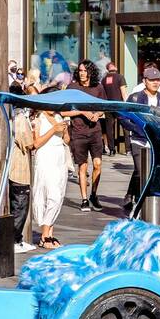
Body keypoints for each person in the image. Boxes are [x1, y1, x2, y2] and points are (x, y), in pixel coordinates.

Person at [123, 67, 160, 213]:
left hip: (156, 142)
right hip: (139, 140)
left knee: (155, 172)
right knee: (140, 170)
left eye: (158, 80)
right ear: (144, 81)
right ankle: (138, 199)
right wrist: (137, 128)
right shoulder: (135, 97)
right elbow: (123, 118)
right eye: (152, 80)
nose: (156, 83)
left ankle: (151, 199)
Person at [67, 60, 107, 212]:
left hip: (95, 132)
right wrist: (82, 112)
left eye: (85, 71)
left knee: (97, 165)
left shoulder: (98, 87)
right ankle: (84, 199)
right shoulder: (72, 87)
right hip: (78, 132)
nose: (82, 73)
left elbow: (104, 107)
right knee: (82, 167)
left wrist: (97, 114)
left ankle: (93, 195)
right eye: (80, 70)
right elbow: (65, 110)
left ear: (91, 72)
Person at [30, 106, 70, 248]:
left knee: (59, 193)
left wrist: (65, 130)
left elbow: (67, 140)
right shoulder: (39, 119)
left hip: (59, 158)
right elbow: (36, 143)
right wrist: (53, 129)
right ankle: (44, 235)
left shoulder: (59, 117)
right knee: (51, 196)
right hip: (46, 157)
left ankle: (50, 234)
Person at [6, 86, 36, 253]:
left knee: (15, 204)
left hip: (10, 166)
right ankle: (15, 240)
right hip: (19, 168)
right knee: (20, 205)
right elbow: (29, 143)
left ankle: (15, 239)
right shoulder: (19, 118)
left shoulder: (8, 116)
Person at [99, 60, 126, 155]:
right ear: (116, 68)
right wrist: (126, 103)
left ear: (107, 69)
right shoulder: (120, 77)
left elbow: (102, 93)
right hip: (119, 105)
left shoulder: (104, 79)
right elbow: (123, 92)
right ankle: (128, 149)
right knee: (125, 125)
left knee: (109, 128)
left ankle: (111, 149)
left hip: (108, 105)